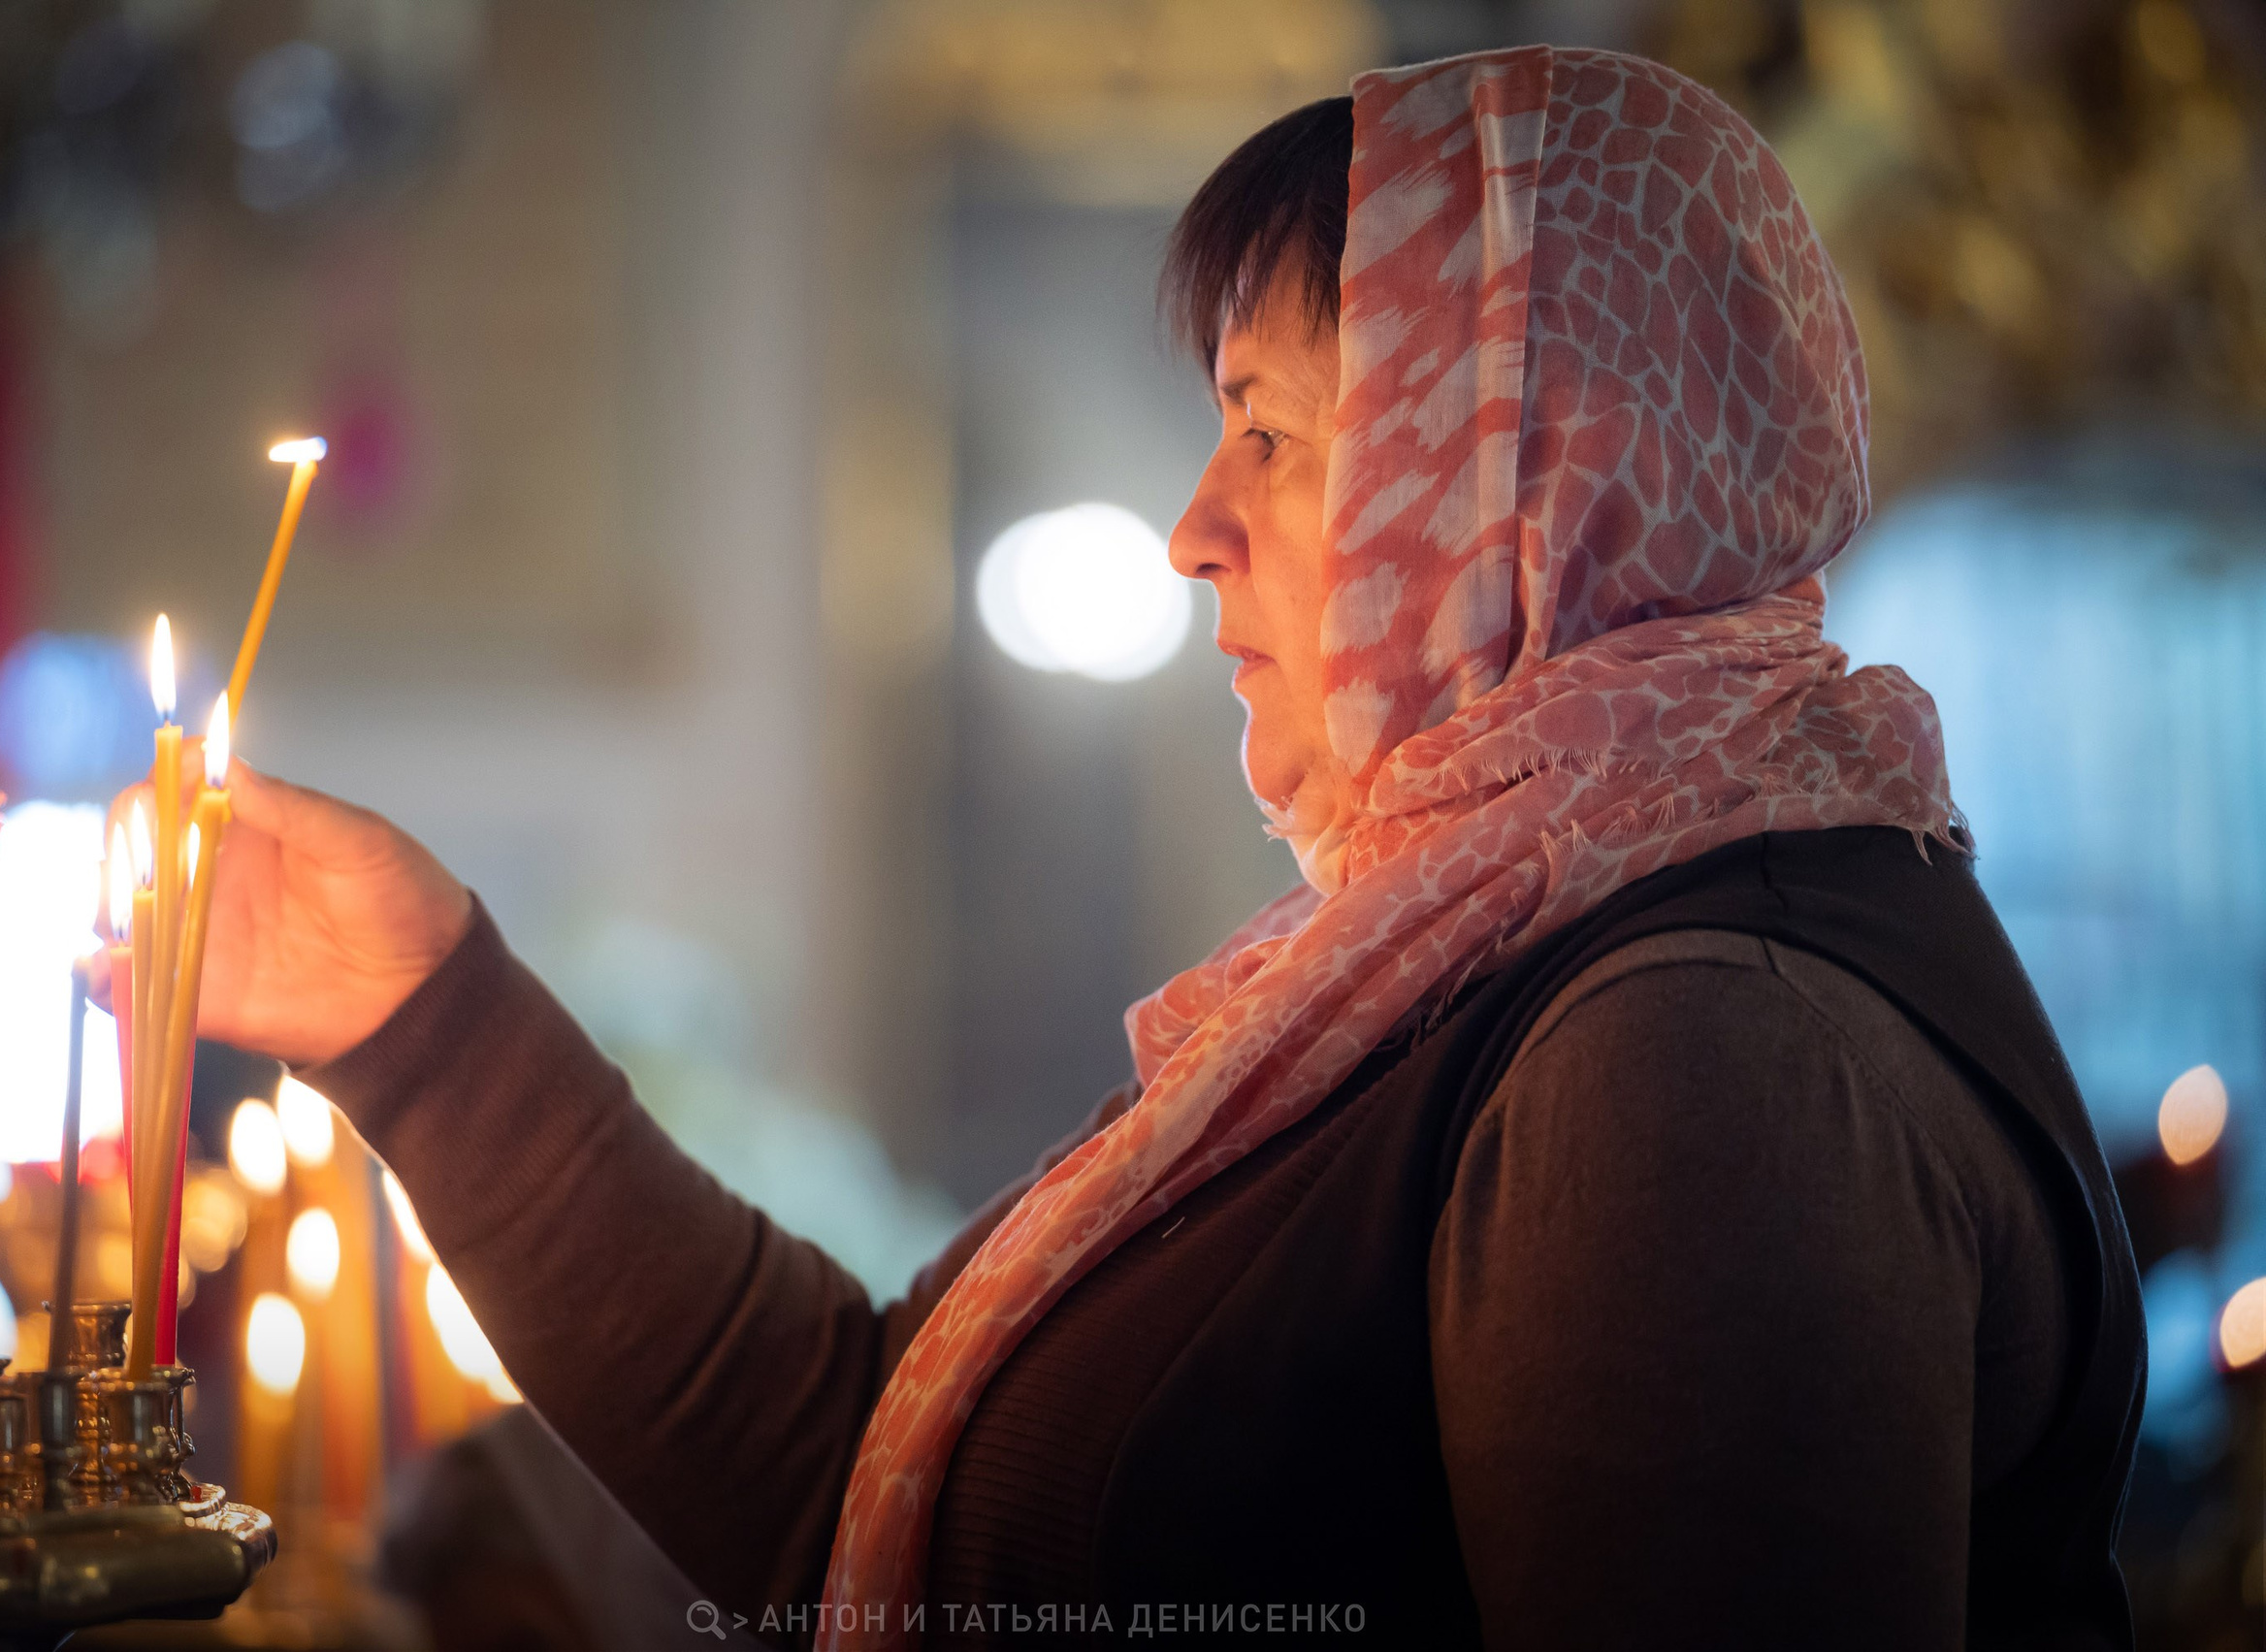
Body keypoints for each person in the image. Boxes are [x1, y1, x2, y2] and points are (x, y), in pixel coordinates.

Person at [113, 46, 2144, 1650]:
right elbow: (853, 1493)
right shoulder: (1486, 952)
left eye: (1267, 426)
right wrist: (419, 1014)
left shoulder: (1699, 1059)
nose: (1190, 524)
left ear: (1521, 470)